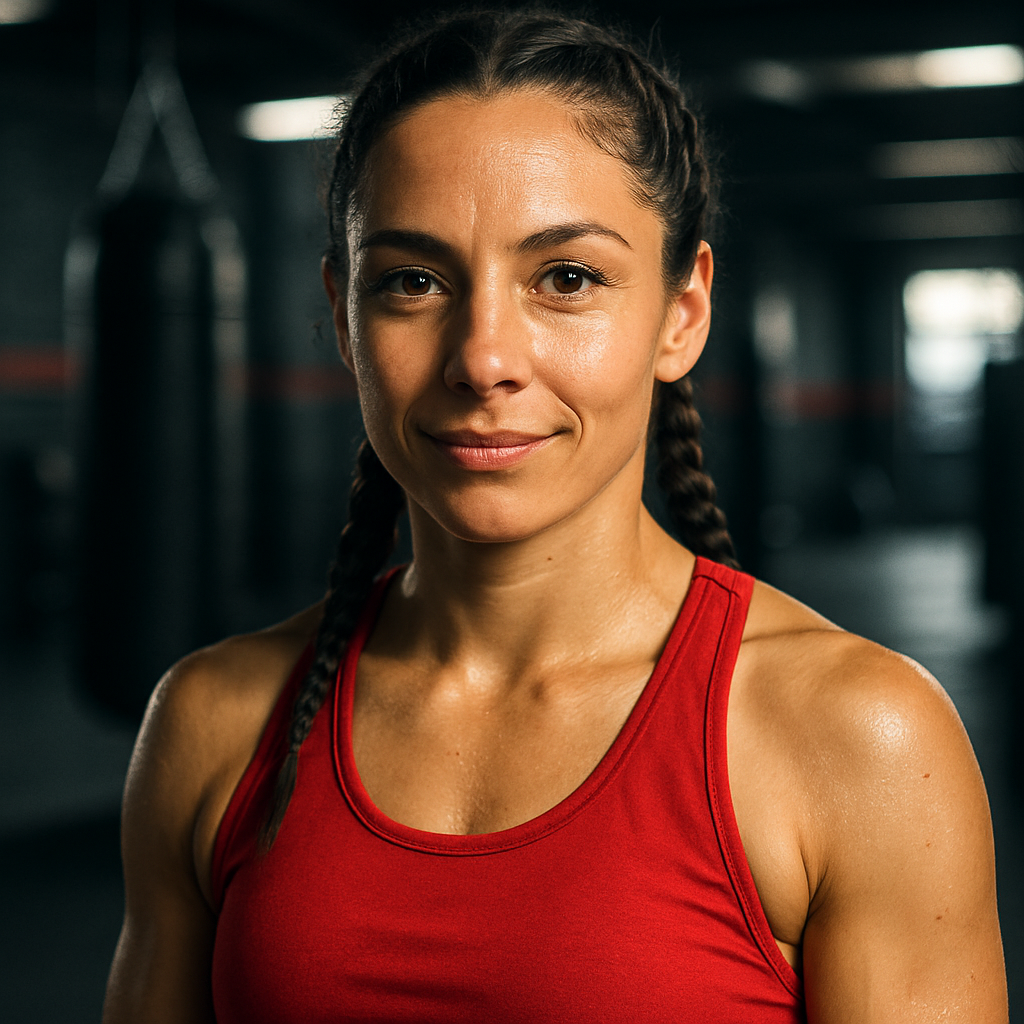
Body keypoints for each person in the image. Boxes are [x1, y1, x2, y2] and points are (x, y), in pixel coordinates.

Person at [102, 9, 1007, 1022]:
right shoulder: (212, 723)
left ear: (682, 313)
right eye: (411, 281)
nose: (483, 357)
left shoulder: (859, 738)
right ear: (344, 318)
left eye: (566, 278)